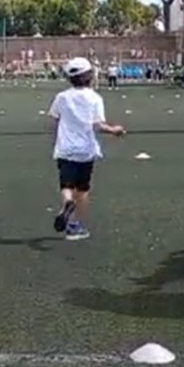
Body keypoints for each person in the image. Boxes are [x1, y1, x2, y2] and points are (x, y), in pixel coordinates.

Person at [49, 57, 125, 241]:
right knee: (82, 189)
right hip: (86, 150)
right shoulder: (95, 98)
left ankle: (67, 202)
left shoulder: (61, 97)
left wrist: (58, 137)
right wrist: (114, 130)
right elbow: (98, 125)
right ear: (90, 76)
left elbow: (55, 119)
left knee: (66, 185)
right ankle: (74, 225)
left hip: (66, 148)